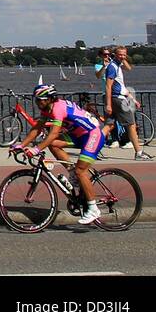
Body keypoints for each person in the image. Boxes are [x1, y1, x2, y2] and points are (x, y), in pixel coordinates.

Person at [14, 84, 105, 225]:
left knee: (82, 170)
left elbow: (54, 133)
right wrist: (21, 145)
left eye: (40, 100)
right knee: (53, 144)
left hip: (92, 134)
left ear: (50, 99)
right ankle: (72, 172)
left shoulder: (58, 109)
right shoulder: (47, 109)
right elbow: (37, 128)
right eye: (36, 100)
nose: (38, 103)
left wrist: (36, 149)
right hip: (78, 135)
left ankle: (93, 209)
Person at [104, 47, 152, 160]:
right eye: (120, 55)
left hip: (118, 97)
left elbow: (125, 76)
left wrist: (132, 99)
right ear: (115, 55)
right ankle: (139, 153)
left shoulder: (117, 66)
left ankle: (92, 149)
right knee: (131, 125)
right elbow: (108, 86)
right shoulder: (112, 67)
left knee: (108, 126)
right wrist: (108, 104)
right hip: (118, 100)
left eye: (124, 55)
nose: (122, 57)